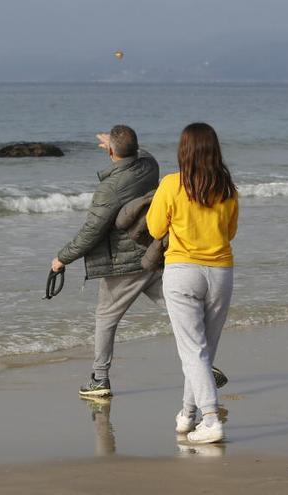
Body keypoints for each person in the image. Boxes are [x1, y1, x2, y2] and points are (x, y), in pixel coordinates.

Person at [51, 125, 162, 397]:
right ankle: (204, 361)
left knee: (105, 318)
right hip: (153, 252)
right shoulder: (150, 165)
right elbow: (139, 154)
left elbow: (91, 232)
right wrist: (118, 147)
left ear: (112, 151)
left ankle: (100, 379)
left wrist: (61, 259)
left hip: (125, 265)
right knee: (180, 309)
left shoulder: (109, 189)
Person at [146, 123, 238, 444]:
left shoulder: (172, 184)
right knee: (203, 351)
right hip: (221, 272)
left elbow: (155, 228)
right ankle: (188, 414)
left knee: (193, 350)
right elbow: (230, 232)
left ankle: (211, 418)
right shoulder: (227, 187)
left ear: (183, 150)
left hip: (183, 270)